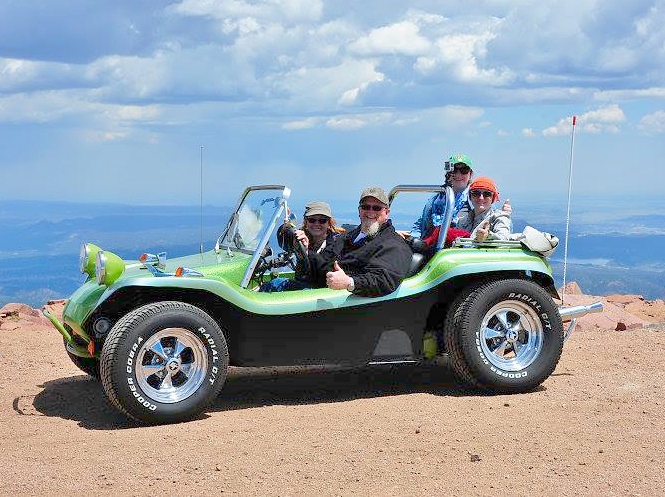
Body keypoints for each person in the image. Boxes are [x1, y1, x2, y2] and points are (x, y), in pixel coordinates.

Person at [310, 186, 412, 297]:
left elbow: (384, 280)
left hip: (348, 304)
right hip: (320, 289)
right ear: (359, 210)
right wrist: (306, 251)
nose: (370, 212)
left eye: (376, 208)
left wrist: (350, 282)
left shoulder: (393, 244)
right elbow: (325, 261)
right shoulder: (347, 237)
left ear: (386, 213)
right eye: (366, 207)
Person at [406, 153, 511, 241]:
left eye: (464, 170)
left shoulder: (477, 197)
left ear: (470, 173)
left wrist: (505, 214)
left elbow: (499, 226)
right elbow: (421, 224)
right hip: (430, 245)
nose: (459, 174)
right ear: (448, 172)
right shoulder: (436, 198)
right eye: (454, 169)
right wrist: (413, 239)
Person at [260, 201, 344, 292]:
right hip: (304, 284)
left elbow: (325, 270)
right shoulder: (304, 237)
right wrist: (287, 227)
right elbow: (286, 240)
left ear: (329, 223)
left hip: (321, 290)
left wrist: (307, 251)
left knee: (275, 285)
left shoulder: (337, 242)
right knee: (273, 283)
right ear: (306, 222)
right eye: (312, 220)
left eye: (322, 220)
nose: (317, 223)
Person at [456, 176, 512, 241]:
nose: (481, 198)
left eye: (487, 194)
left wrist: (488, 236)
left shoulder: (499, 217)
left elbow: (503, 238)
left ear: (492, 198)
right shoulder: (461, 221)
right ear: (470, 197)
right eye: (476, 193)